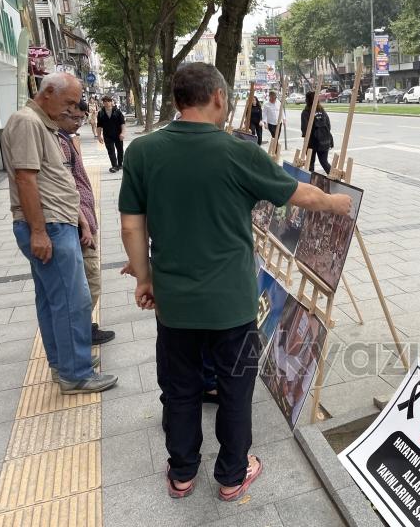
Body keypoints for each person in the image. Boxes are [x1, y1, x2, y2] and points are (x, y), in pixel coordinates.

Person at [118, 62, 351, 501]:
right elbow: (300, 194)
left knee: (180, 390)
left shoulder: (143, 152)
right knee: (235, 389)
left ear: (176, 100)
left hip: (175, 304)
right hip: (232, 305)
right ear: (219, 97)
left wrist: (143, 279)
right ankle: (231, 476)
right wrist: (337, 203)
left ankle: (182, 474)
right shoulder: (239, 151)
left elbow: (131, 227)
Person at [1, 73, 118, 394]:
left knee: (54, 299)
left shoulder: (42, 123)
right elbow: (26, 179)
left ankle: (65, 362)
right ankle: (75, 373)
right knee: (72, 300)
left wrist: (77, 216)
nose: (71, 110)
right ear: (47, 92)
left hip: (56, 222)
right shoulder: (27, 122)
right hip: (48, 226)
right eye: (67, 102)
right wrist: (38, 231)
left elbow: (54, 180)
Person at [57, 100, 116, 345]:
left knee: (86, 283)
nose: (78, 123)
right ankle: (80, 333)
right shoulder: (58, 142)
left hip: (82, 223)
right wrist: (83, 224)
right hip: (79, 227)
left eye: (82, 118)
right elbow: (66, 187)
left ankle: (83, 328)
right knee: (88, 283)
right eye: (74, 118)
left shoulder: (65, 139)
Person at [300, 91, 334, 174]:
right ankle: (335, 180)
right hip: (325, 140)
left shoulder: (306, 112)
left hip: (312, 142)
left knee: (310, 163)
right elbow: (328, 125)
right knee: (324, 162)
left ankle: (310, 182)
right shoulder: (322, 110)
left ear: (307, 100)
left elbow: (304, 129)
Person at [96, 95, 126, 172]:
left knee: (120, 150)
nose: (106, 103)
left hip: (118, 134)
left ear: (111, 102)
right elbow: (99, 125)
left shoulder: (117, 111)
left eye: (108, 101)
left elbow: (122, 123)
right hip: (107, 135)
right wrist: (99, 136)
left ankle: (120, 164)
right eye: (105, 101)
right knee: (111, 151)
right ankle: (114, 166)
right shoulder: (101, 113)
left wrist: (122, 133)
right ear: (103, 103)